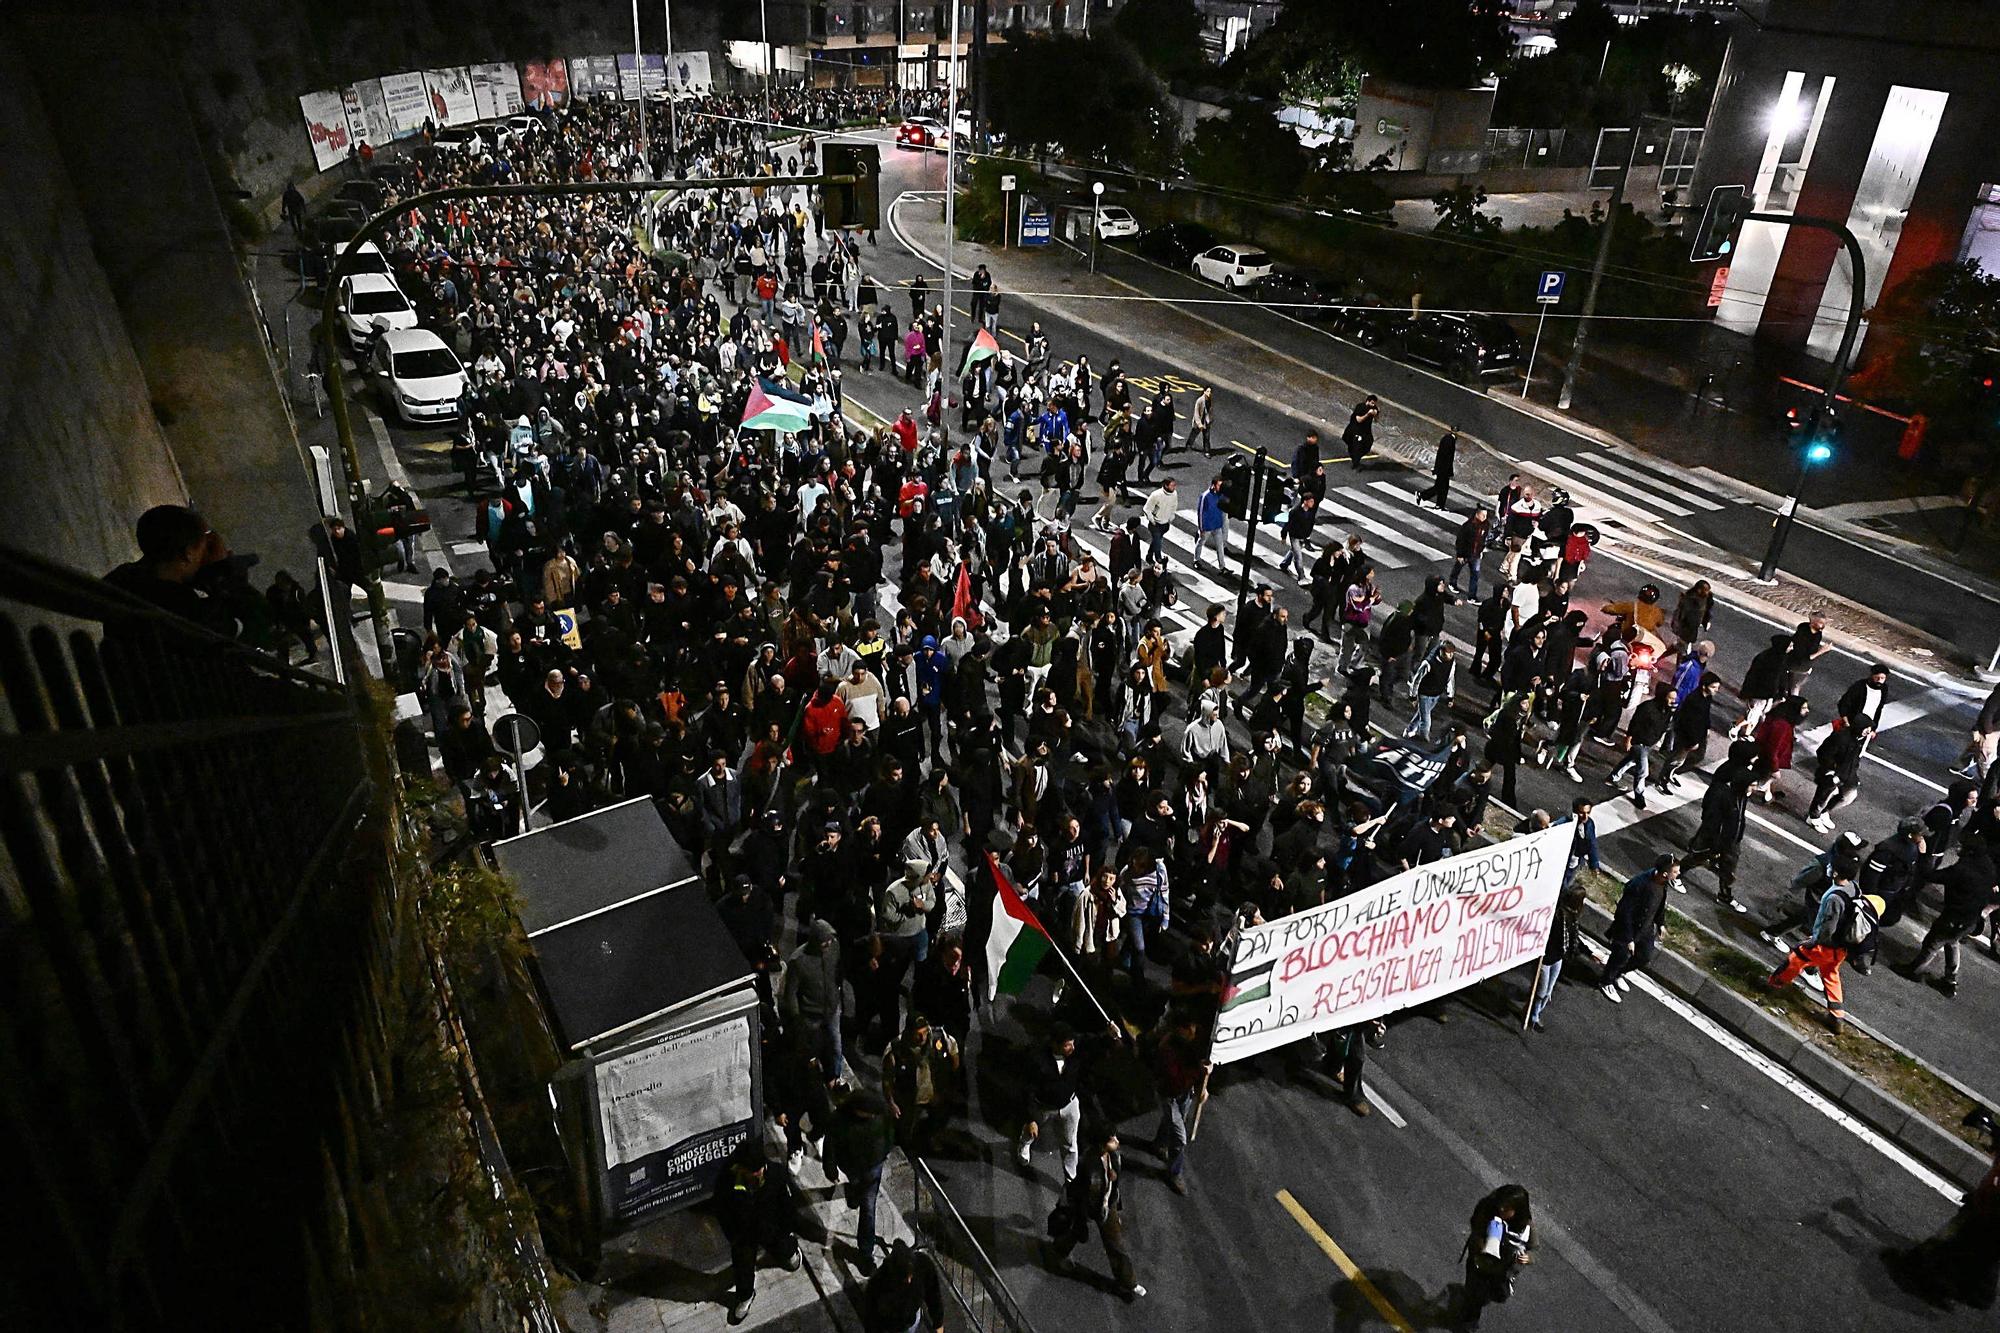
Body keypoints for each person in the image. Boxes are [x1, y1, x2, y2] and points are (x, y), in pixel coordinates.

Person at [1768, 864, 1880, 1034]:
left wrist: (1813, 942)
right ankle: (1836, 1016)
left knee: (1796, 958)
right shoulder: (1854, 888)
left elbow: (1828, 927)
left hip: (1826, 946)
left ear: (1836, 872)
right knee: (1830, 975)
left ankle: (1773, 986)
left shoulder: (1835, 897)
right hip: (1841, 949)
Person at [714, 1146, 820, 1325]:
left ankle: (790, 1251)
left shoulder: (777, 1174)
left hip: (771, 1227)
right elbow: (722, 1210)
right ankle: (745, 1296)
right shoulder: (727, 1181)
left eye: (758, 1170)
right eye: (750, 1171)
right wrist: (733, 1236)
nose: (756, 1175)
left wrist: (786, 1229)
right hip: (744, 1234)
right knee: (743, 1266)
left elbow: (787, 1206)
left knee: (783, 1246)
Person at [1045, 1126, 1146, 1301]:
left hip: (1107, 1205)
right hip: (1087, 1207)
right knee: (1075, 1232)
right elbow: (1078, 1191)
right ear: (1101, 1144)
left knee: (1116, 1244)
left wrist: (1115, 1208)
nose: (1116, 1141)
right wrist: (1080, 1216)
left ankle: (1127, 1282)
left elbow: (1114, 1187)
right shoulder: (1087, 1163)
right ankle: (1059, 1253)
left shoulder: (1114, 1156)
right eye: (1111, 1139)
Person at [1895, 829, 1998, 998]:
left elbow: (1930, 875)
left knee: (1933, 942)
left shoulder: (1963, 869)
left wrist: (1924, 854)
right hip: (1971, 917)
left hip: (1955, 915)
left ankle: (1914, 971)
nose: (1958, 848)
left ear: (1969, 850)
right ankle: (1950, 980)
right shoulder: (1986, 865)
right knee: (1953, 941)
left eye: (1962, 846)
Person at [828, 1089, 898, 1276]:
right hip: (852, 1168)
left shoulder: (879, 1114)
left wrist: (886, 1150)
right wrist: (830, 1168)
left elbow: (889, 1132)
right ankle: (853, 1192)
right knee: (857, 1188)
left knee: (868, 1208)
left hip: (874, 1167)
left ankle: (865, 1253)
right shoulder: (839, 1120)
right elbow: (831, 1145)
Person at [1148, 1010, 1211, 1195]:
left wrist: (1204, 1080)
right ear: (1180, 1030)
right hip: (1170, 1095)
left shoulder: (1194, 1041)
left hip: (1185, 1093)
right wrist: (1200, 1072)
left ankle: (1158, 1144)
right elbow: (1176, 1081)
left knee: (1172, 1121)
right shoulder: (1167, 1049)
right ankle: (1174, 1172)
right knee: (1179, 1137)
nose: (1193, 1031)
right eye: (1189, 1028)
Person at [1601, 854, 1677, 1002]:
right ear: (1665, 873)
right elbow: (1625, 911)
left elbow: (1659, 905)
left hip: (1645, 928)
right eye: (1676, 872)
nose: (1678, 874)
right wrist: (1628, 938)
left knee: (1644, 956)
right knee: (1620, 956)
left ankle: (1617, 974)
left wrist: (1660, 923)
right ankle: (1606, 981)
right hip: (1628, 928)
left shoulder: (1663, 882)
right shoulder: (1639, 884)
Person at [1457, 1184, 1534, 1330]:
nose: (1501, 1210)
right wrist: (1480, 1239)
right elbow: (1476, 1223)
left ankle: (1472, 1306)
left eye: (1507, 1208)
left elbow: (1533, 1247)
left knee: (1497, 1294)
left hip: (1501, 1269)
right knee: (1475, 1293)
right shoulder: (1488, 1208)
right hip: (1479, 1261)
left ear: (1517, 1210)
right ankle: (1469, 1321)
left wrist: (1529, 1257)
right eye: (1501, 1205)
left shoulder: (1525, 1227)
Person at [1018, 1022, 1087, 1181]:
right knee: (1031, 1132)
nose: (1072, 1048)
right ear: (1054, 1044)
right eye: (1066, 1045)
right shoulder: (1037, 1060)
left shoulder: (1075, 1052)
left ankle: (1071, 1178)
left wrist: (1111, 1036)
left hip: (1069, 1105)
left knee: (1070, 1144)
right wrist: (1030, 1119)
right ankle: (1025, 1143)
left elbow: (1094, 1042)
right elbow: (1027, 1089)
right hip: (1044, 1107)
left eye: (1072, 1044)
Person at [861, 1241, 947, 1333]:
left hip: (910, 1319)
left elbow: (934, 1295)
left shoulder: (923, 1265)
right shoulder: (878, 1284)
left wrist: (938, 1323)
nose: (909, 1280)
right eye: (903, 1277)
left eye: (910, 1275)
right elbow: (871, 1318)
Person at [1416, 426, 1456, 507]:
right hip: (1443, 470)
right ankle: (1422, 495)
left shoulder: (1448, 439)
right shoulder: (1449, 440)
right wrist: (1440, 469)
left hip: (1443, 469)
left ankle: (1439, 505)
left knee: (1442, 488)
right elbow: (1444, 457)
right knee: (1440, 487)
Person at [1341, 393, 1379, 469]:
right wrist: (1368, 414)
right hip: (1355, 429)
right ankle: (1355, 461)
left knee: (1368, 443)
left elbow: (1376, 420)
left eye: (1374, 404)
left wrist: (1376, 414)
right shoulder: (1360, 407)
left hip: (1366, 430)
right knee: (1355, 445)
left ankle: (1356, 457)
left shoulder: (1374, 408)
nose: (1373, 405)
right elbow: (1359, 420)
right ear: (1367, 401)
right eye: (1372, 403)